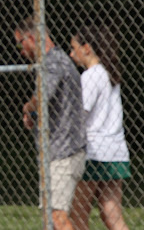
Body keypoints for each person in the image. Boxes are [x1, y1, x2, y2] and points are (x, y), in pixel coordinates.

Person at [14, 16, 86, 230]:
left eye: (20, 43)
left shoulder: (53, 62)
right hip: (60, 152)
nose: (20, 50)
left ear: (31, 38)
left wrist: (27, 108)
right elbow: (51, 102)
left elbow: (42, 96)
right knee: (51, 219)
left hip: (64, 153)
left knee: (57, 217)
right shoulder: (54, 61)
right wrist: (34, 116)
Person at [69, 24, 130, 230]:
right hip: (116, 151)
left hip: (93, 152)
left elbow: (79, 114)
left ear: (86, 48)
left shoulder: (91, 75)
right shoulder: (109, 73)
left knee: (77, 217)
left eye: (74, 47)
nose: (71, 53)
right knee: (112, 217)